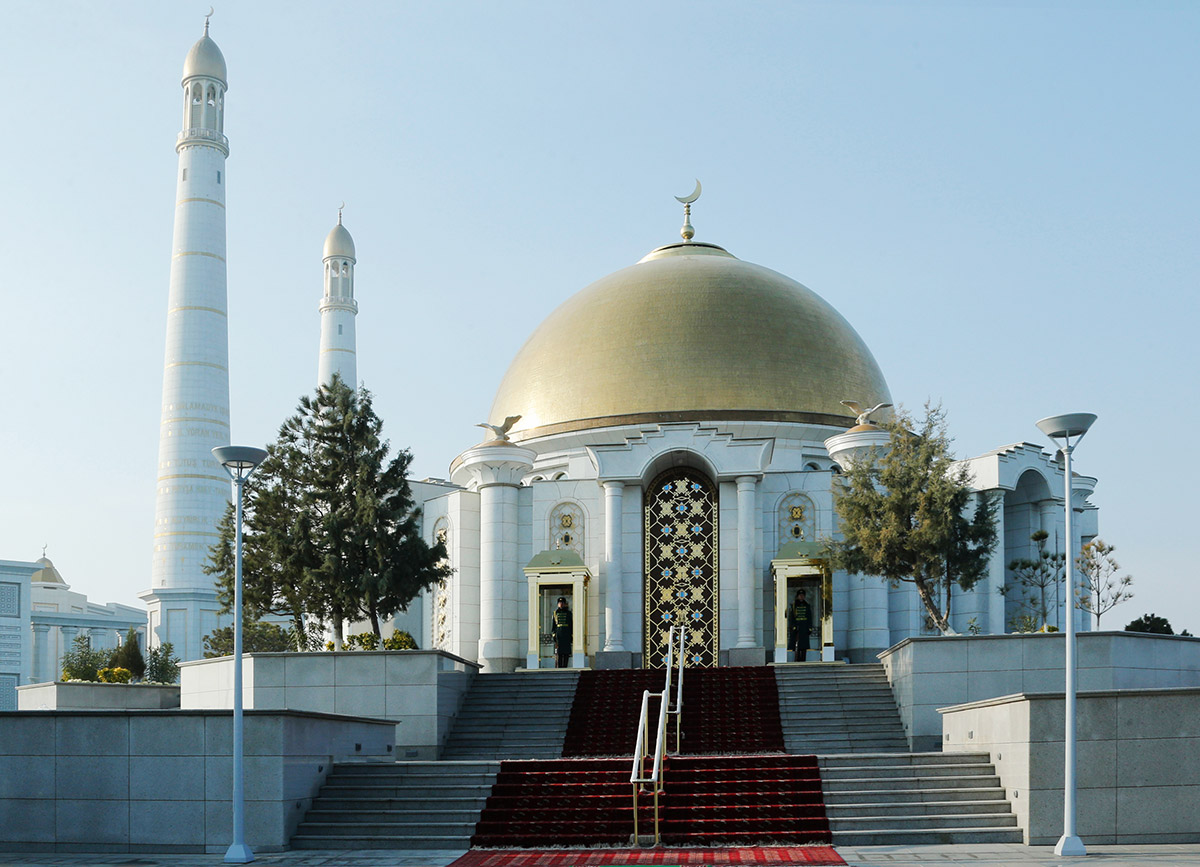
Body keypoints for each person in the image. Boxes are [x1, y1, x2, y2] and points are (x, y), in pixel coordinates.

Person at [787, 589, 812, 661]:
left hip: (804, 627)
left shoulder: (807, 605)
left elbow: (809, 617)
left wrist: (809, 627)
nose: (801, 597)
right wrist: (793, 626)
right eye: (800, 595)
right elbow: (791, 617)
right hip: (797, 627)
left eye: (803, 595)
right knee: (796, 645)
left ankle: (803, 659)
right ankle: (797, 658)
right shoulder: (794, 605)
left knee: (804, 645)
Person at [552, 596, 573, 668]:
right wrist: (554, 634)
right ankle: (560, 666)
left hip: (566, 633)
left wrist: (571, 634)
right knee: (559, 652)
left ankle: (565, 666)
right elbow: (554, 625)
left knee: (566, 652)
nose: (561, 604)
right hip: (559, 634)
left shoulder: (568, 613)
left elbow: (571, 624)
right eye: (560, 603)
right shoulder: (555, 613)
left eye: (562, 603)